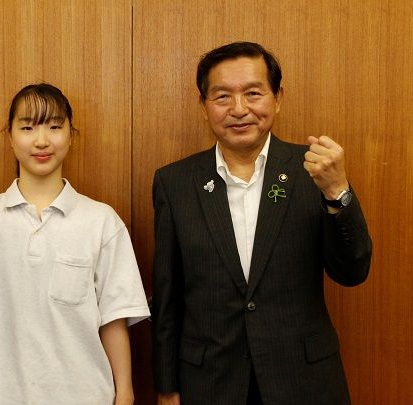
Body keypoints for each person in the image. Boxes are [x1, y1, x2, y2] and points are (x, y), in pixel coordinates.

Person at [151, 42, 372, 405]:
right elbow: (167, 295)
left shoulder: (314, 171)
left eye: (253, 93)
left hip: (303, 382)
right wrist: (166, 387)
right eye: (222, 96)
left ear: (277, 98)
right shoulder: (175, 183)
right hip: (210, 383)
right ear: (203, 105)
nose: (239, 109)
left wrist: (337, 192)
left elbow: (352, 271)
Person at [0, 83, 150, 405]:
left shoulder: (101, 221)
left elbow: (114, 318)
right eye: (28, 127)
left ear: (71, 135)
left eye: (55, 127)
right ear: (10, 136)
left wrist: (125, 394)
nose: (42, 140)